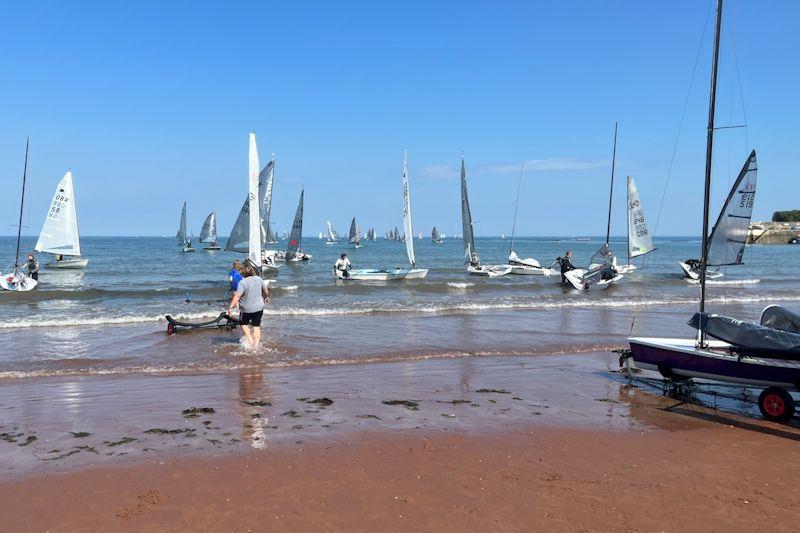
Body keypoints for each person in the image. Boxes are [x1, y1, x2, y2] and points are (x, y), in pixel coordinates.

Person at [227, 265, 270, 350]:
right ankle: (256, 345)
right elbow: (265, 291)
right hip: (258, 307)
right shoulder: (259, 279)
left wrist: (230, 307)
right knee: (256, 326)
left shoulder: (242, 282)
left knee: (243, 324)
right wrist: (266, 297)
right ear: (253, 271)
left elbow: (237, 296)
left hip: (246, 309)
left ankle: (250, 340)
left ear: (243, 273)